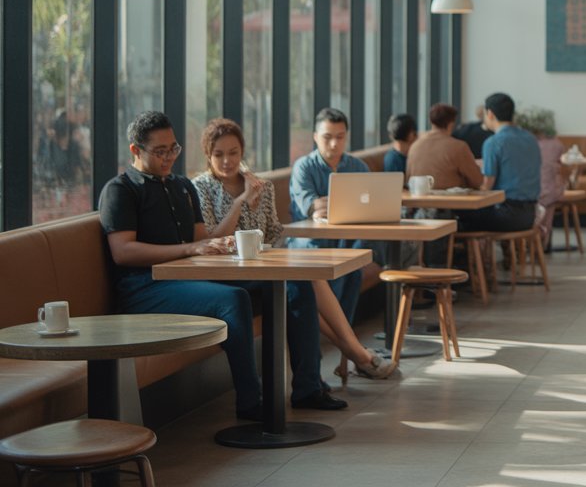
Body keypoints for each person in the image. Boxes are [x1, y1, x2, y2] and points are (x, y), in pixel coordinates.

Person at [99, 111, 348, 421]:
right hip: (145, 288)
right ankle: (251, 401)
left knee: (295, 282)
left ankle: (308, 388)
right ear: (136, 150)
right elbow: (123, 252)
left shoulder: (180, 186)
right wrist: (191, 248)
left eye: (173, 149)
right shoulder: (120, 190)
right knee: (232, 299)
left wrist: (217, 245)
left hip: (190, 279)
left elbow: (202, 240)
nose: (168, 158)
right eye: (159, 151)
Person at [193, 118, 394, 381]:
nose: (227, 161)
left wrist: (257, 205)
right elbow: (211, 240)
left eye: (233, 153)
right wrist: (240, 203)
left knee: (312, 277)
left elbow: (274, 231)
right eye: (218, 155)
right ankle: (355, 351)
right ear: (208, 155)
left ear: (242, 153)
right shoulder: (200, 188)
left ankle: (344, 356)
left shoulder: (260, 186)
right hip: (225, 272)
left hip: (262, 264)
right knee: (306, 280)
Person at [289, 107, 367, 323]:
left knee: (355, 265)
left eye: (340, 137)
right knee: (340, 263)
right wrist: (349, 204)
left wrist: (326, 203)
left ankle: (344, 342)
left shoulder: (357, 166)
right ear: (315, 137)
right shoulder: (303, 167)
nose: (334, 143)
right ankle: (340, 340)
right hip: (307, 242)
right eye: (327, 137)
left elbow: (370, 206)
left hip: (344, 241)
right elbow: (312, 208)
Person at [453, 93, 540, 234]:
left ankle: (462, 256)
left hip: (505, 216)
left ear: (490, 114)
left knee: (455, 216)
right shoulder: (531, 139)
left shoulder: (493, 143)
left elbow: (487, 187)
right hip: (530, 215)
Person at [514, 106, 565, 249]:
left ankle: (522, 246)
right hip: (550, 191)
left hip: (527, 191)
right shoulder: (556, 144)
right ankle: (543, 241)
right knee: (547, 211)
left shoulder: (522, 142)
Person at [406, 103, 484, 192]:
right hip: (452, 202)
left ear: (431, 121)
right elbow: (477, 181)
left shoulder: (415, 146)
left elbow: (409, 178)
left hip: (421, 201)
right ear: (451, 123)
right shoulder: (458, 147)